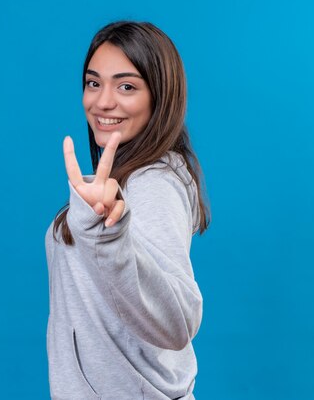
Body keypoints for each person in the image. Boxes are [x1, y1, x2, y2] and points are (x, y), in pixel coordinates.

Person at [45, 21, 210, 400]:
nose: (102, 102)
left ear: (160, 96)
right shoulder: (135, 175)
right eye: (93, 83)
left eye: (126, 86)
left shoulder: (153, 183)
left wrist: (105, 233)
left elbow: (177, 320)